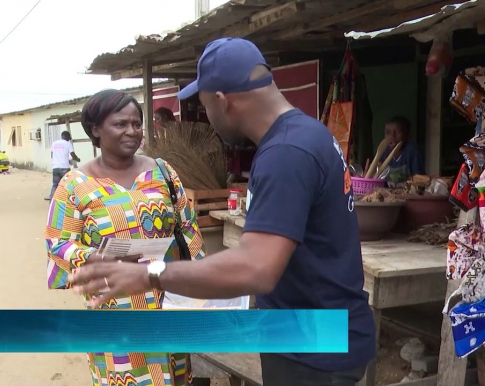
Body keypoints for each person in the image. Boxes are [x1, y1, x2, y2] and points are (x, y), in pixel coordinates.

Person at [68, 38, 376, 386]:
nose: (210, 122)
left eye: (205, 107)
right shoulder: (309, 133)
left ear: (221, 100)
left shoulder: (285, 153)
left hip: (314, 351)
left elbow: (257, 267)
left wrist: (152, 274)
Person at [44, 89, 206, 386]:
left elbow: (188, 228)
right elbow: (58, 243)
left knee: (175, 375)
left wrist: (198, 281)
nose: (132, 132)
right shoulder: (74, 185)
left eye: (136, 124)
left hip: (168, 302)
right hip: (115, 307)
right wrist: (97, 257)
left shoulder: (162, 171)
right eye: (120, 124)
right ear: (95, 130)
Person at [379, 116, 425, 186]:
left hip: (410, 194)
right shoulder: (384, 151)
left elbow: (419, 178)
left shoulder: (412, 150)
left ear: (407, 134)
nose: (392, 136)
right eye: (388, 133)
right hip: (389, 194)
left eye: (397, 132)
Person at [45, 131, 80, 201]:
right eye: (69, 138)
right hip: (65, 168)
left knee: (55, 184)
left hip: (55, 167)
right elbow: (72, 154)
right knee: (68, 184)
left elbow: (52, 155)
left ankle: (51, 199)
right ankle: (69, 200)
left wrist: (55, 162)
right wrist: (77, 159)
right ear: (66, 137)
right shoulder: (67, 143)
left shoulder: (54, 143)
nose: (69, 139)